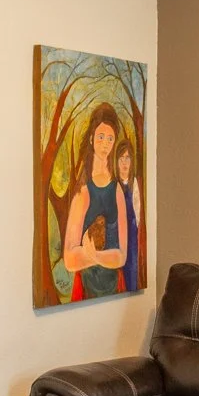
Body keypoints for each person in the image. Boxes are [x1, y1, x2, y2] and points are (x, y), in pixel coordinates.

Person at [61, 104, 127, 301]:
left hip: (115, 288)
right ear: (91, 138)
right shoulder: (82, 192)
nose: (105, 144)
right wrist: (105, 257)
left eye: (110, 139)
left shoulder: (117, 190)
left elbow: (121, 256)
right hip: (85, 289)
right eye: (100, 137)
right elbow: (69, 260)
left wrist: (94, 255)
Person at [115, 138, 142, 294]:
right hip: (117, 231)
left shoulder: (134, 183)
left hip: (131, 233)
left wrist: (134, 227)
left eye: (127, 158)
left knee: (131, 267)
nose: (124, 162)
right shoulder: (114, 184)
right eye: (121, 158)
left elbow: (137, 210)